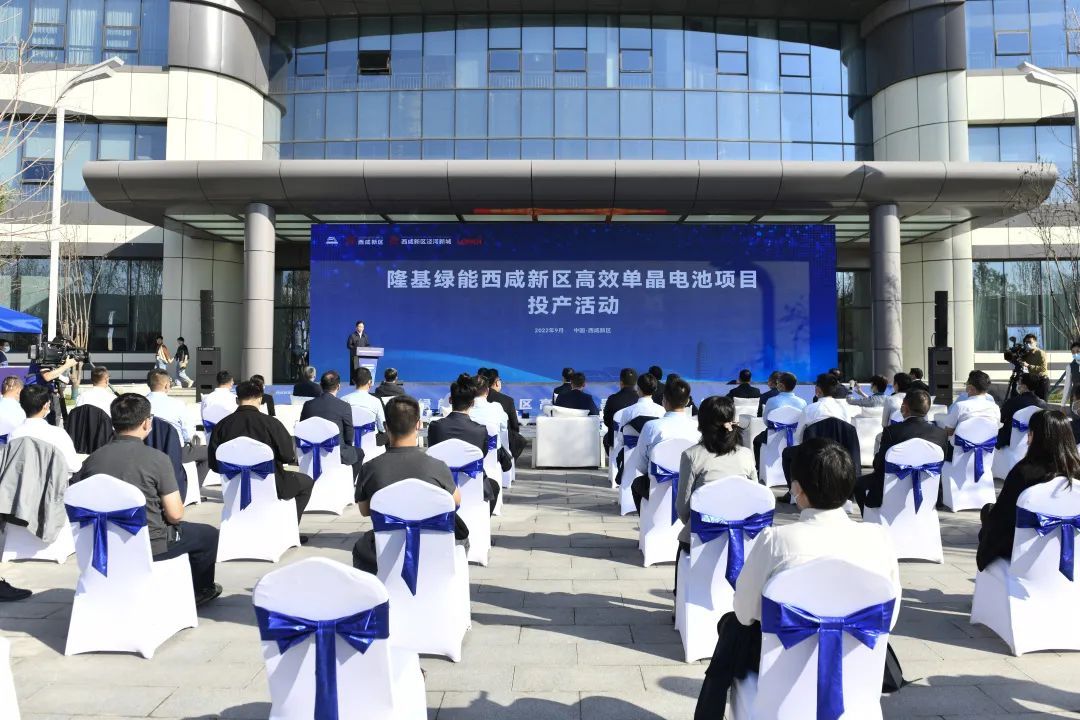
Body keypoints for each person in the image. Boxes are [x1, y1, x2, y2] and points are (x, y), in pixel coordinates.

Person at [695, 437, 900, 719]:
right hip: (856, 665)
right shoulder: (879, 539)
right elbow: (890, 617)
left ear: (797, 489)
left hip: (782, 672)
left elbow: (744, 612)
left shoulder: (776, 541)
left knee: (732, 625)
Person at [76, 393, 221, 605]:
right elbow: (175, 515)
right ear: (146, 423)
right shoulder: (157, 459)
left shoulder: (92, 460)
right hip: (150, 545)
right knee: (208, 535)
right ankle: (200, 591)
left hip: (100, 543)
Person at [351, 395, 467, 574]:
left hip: (386, 549)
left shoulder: (370, 468)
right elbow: (456, 501)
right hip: (434, 550)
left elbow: (365, 510)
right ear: (419, 424)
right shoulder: (437, 467)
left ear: (386, 427)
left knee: (361, 548)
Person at [977, 409, 1080, 571]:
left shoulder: (1023, 473)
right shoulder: (1076, 472)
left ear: (1036, 436)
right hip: (1072, 549)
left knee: (989, 512)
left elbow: (1003, 517)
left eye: (1029, 433)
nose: (1027, 439)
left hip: (1023, 553)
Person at [206, 380, 314, 530]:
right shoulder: (272, 423)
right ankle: (289, 530)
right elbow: (288, 456)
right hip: (273, 484)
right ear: (260, 399)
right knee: (306, 482)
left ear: (237, 400)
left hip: (234, 487)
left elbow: (214, 464)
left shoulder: (222, 426)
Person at [676, 396, 757, 554]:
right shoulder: (746, 454)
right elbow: (755, 496)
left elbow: (682, 508)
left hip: (700, 534)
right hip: (741, 535)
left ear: (701, 423)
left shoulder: (691, 455)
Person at [853, 389, 950, 512]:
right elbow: (941, 464)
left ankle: (871, 517)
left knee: (858, 484)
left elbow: (879, 465)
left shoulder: (891, 431)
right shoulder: (941, 434)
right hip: (929, 492)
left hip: (891, 489)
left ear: (905, 408)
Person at [427, 374, 501, 513]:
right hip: (472, 483)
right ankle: (481, 518)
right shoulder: (480, 430)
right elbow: (482, 455)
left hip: (440, 483)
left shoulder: (435, 427)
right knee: (494, 487)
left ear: (450, 400)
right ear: (472, 403)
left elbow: (432, 452)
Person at [631, 376, 700, 511]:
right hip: (691, 486)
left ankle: (647, 518)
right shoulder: (698, 427)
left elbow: (640, 465)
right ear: (687, 401)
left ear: (664, 401)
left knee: (637, 483)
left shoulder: (651, 427)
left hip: (656, 485)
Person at [145, 369, 208, 476]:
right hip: (174, 451)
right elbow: (188, 433)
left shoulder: (140, 403)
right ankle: (193, 483)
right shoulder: (178, 405)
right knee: (208, 453)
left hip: (147, 451)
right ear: (167, 385)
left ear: (148, 384)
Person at [300, 370, 363, 475]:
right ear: (338, 386)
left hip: (311, 452)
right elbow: (349, 436)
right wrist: (346, 446)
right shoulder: (344, 406)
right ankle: (351, 482)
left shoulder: (308, 405)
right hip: (337, 453)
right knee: (359, 453)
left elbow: (302, 429)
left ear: (321, 385)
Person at [10, 384, 81, 472]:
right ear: (46, 405)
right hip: (54, 479)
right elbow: (74, 466)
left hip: (25, 478)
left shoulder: (14, 434)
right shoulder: (58, 434)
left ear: (21, 405)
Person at [792, 373, 852, 444]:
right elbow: (847, 435)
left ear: (817, 389)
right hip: (839, 449)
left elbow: (798, 437)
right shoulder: (845, 410)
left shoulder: (809, 410)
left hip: (815, 449)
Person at [483, 368, 525, 460]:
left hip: (478, 443)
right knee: (519, 440)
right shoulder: (507, 400)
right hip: (501, 445)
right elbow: (515, 426)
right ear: (497, 382)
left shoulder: (474, 399)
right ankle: (510, 462)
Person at [996, 372, 1046, 449]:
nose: (1018, 385)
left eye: (1019, 383)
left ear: (1024, 386)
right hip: (1035, 441)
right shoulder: (1043, 404)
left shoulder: (1012, 402)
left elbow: (1000, 418)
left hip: (1010, 442)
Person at [603, 368, 639, 450]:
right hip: (636, 443)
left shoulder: (612, 399)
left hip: (615, 443)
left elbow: (607, 421)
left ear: (621, 382)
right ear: (635, 383)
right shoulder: (639, 400)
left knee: (606, 438)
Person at [1007, 333, 1049, 400]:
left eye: (1030, 342)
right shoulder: (1026, 353)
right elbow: (1018, 362)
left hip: (1041, 380)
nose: (1028, 344)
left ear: (1035, 342)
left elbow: (1043, 368)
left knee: (1041, 402)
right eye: (1026, 342)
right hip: (1031, 381)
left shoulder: (1040, 353)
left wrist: (1028, 365)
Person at [344, 367, 386, 432]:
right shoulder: (376, 401)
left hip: (350, 437)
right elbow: (382, 428)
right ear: (370, 382)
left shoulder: (344, 400)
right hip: (371, 437)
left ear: (353, 381)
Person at [1061, 340, 1080, 409]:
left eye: (1078, 351)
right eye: (1073, 352)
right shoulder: (1070, 367)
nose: (1075, 354)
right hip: (1075, 397)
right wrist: (1063, 404)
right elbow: (1067, 386)